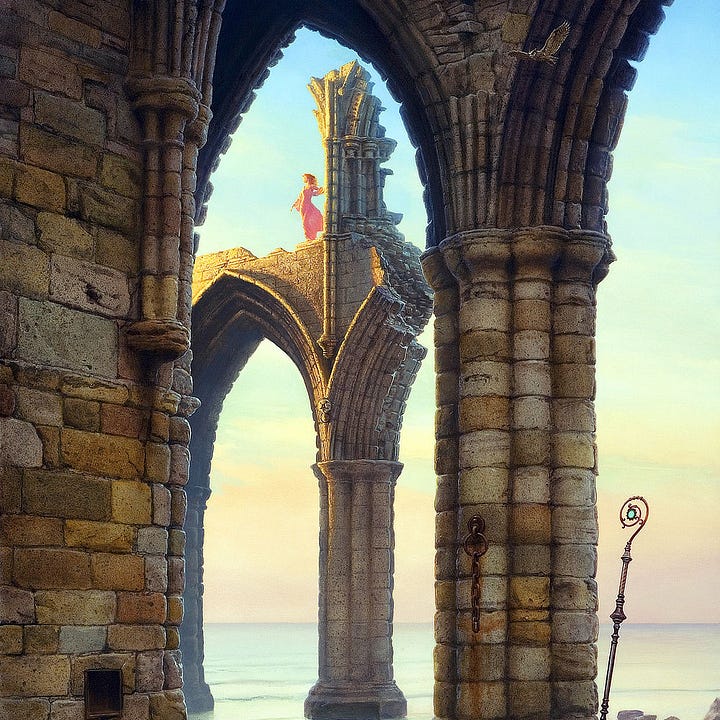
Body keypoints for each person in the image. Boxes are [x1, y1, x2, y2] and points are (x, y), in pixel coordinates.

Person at [291, 173, 325, 240]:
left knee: (306, 221)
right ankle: (308, 237)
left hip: (309, 206)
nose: (303, 179)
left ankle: (310, 237)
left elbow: (319, 191)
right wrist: (294, 204)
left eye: (304, 177)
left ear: (308, 178)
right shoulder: (304, 187)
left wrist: (322, 190)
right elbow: (299, 198)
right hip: (303, 206)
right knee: (304, 222)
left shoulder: (311, 186)